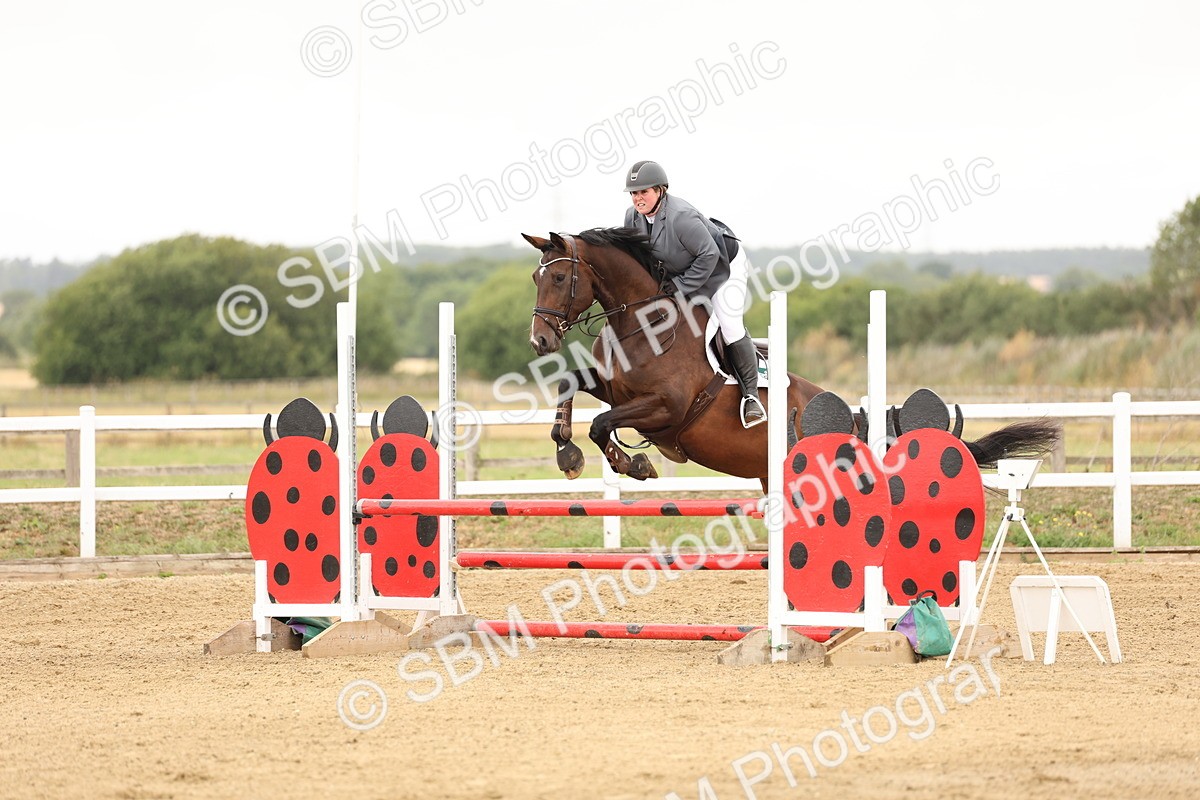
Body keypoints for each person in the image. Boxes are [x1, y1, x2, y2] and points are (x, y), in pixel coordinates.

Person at [622, 159, 766, 428]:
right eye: (634, 193)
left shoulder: (681, 217)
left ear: (660, 190)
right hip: (688, 266)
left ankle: (751, 398)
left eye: (644, 192)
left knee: (730, 324)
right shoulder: (632, 217)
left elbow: (710, 255)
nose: (638, 198)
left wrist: (679, 287)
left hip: (723, 266)